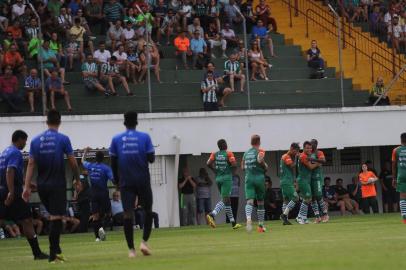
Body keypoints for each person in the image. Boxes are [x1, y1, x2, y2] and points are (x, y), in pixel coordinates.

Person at [23, 109, 81, 263]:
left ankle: (57, 252)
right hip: (57, 185)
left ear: (47, 121)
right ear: (59, 121)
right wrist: (78, 180)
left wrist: (26, 187)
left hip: (42, 186)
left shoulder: (35, 141)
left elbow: (30, 164)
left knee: (55, 218)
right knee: (57, 219)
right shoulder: (63, 139)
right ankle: (53, 254)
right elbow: (73, 161)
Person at [110, 111, 155, 257]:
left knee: (128, 214)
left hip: (126, 181)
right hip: (142, 179)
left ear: (124, 123)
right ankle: (144, 242)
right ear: (136, 122)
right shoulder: (145, 137)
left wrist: (117, 181)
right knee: (148, 211)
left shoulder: (116, 139)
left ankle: (131, 250)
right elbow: (151, 158)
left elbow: (113, 162)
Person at [0, 130, 48, 259]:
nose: (25, 144)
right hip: (13, 191)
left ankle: (37, 253)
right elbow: (10, 171)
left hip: (3, 189)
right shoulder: (16, 152)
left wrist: (27, 184)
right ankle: (37, 253)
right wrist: (11, 191)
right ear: (19, 139)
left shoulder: (5, 152)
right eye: (24, 141)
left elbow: (11, 172)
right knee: (26, 220)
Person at [206, 139, 241, 229]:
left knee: (227, 201)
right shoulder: (229, 154)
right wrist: (231, 171)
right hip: (226, 179)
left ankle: (233, 223)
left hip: (218, 178)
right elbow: (234, 165)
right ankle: (212, 214)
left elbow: (208, 163)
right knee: (225, 200)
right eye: (225, 143)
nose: (226, 144)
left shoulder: (214, 154)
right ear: (224, 145)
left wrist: (215, 170)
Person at [82, 148, 114, 242]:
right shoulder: (106, 168)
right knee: (108, 213)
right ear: (103, 158)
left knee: (95, 216)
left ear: (95, 158)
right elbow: (113, 180)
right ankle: (102, 229)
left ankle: (97, 237)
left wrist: (85, 152)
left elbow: (82, 160)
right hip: (103, 193)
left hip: (93, 193)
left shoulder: (90, 166)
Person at [241, 135, 268, 232]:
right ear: (259, 142)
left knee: (250, 201)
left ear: (251, 142)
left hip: (249, 178)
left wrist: (250, 168)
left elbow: (242, 167)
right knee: (260, 202)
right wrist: (265, 166)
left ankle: (248, 219)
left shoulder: (246, 153)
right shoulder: (260, 151)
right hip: (259, 178)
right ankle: (260, 225)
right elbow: (262, 163)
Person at [296, 141, 321, 225]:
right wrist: (318, 163)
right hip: (303, 180)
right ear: (303, 148)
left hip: (306, 180)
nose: (309, 149)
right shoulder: (303, 156)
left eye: (310, 148)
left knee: (307, 198)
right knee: (308, 198)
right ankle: (299, 217)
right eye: (307, 148)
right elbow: (310, 167)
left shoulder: (304, 155)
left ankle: (304, 218)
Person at [279, 143, 300, 225]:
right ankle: (284, 215)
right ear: (291, 148)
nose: (296, 152)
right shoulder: (286, 156)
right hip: (287, 182)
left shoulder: (283, 156)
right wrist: (296, 157)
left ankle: (285, 220)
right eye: (296, 151)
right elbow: (292, 166)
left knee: (286, 201)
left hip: (284, 181)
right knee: (296, 198)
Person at [309, 139, 329, 223]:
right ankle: (317, 217)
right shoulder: (308, 153)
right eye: (310, 144)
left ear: (316, 144)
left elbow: (323, 161)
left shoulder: (319, 153)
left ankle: (325, 215)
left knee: (319, 196)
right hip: (310, 177)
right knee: (312, 198)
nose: (311, 145)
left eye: (312, 144)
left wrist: (315, 160)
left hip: (317, 177)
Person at [392, 132, 406, 224]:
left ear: (401, 140)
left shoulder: (396, 150)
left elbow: (393, 165)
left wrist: (394, 178)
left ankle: (404, 217)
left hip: (401, 175)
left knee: (403, 196)